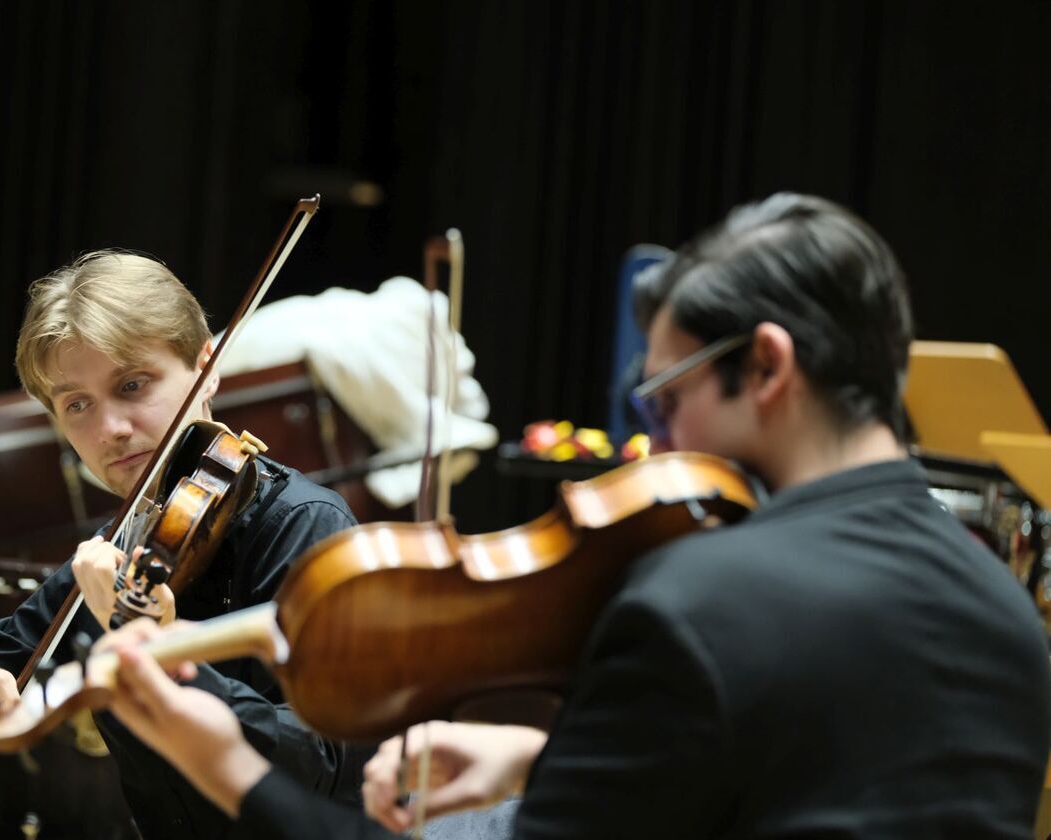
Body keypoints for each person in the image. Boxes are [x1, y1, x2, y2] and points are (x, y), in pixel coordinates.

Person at [95, 194, 1051, 838]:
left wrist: (224, 763)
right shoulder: (1008, 614)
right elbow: (816, 776)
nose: (658, 448)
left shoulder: (699, 604)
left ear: (765, 366)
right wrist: (541, 756)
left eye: (664, 403)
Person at [0, 251, 364, 838]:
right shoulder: (118, 546)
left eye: (133, 384)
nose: (109, 429)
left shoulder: (302, 523)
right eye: (77, 404)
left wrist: (166, 654)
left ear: (207, 366)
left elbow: (324, 767)